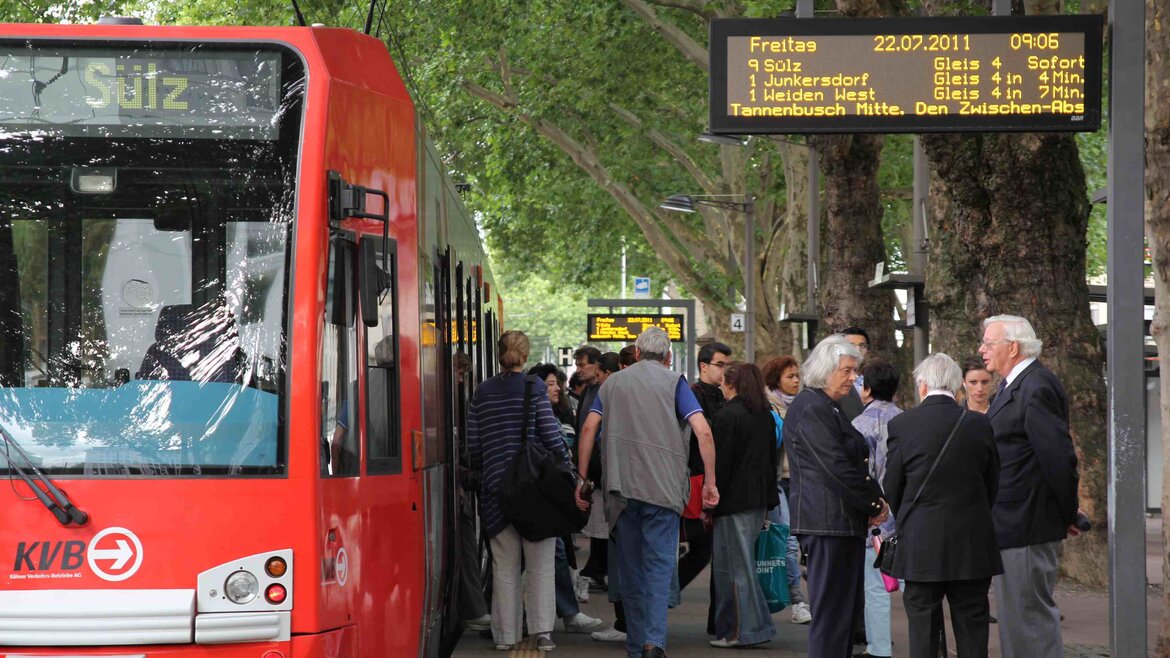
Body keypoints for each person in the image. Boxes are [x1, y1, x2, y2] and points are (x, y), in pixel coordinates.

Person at [575, 327, 719, 658]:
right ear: (668, 357)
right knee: (658, 569)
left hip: (621, 492)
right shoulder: (676, 384)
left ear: (637, 354)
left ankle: (635, 646)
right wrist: (709, 483)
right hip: (664, 492)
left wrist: (581, 479)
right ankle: (654, 643)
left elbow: (588, 429)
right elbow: (703, 431)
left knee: (630, 571)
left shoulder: (612, 383)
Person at [883, 353, 1002, 658]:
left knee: (922, 625)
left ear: (923, 386)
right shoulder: (979, 424)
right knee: (973, 622)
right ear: (957, 386)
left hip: (921, 541)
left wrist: (910, 515)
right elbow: (993, 482)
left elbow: (892, 484)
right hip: (971, 541)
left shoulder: (902, 424)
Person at [978, 315, 1081, 658]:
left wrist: (1066, 512)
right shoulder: (1013, 386)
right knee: (1016, 619)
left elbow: (1058, 458)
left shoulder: (1035, 385)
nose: (982, 350)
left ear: (1013, 347)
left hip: (1027, 522)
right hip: (1013, 522)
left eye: (989, 343)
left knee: (1029, 619)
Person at [785, 335, 887, 658]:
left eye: (854, 370)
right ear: (826, 368)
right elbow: (836, 467)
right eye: (846, 370)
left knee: (843, 616)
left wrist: (873, 501)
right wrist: (873, 503)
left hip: (839, 523)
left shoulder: (825, 406)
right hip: (828, 524)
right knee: (832, 617)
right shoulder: (812, 407)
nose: (853, 377)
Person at [466, 331, 569, 652]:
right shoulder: (533, 387)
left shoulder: (481, 392)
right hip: (534, 490)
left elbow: (473, 445)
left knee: (504, 568)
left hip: (496, 491)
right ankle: (541, 633)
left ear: (499, 354)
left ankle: (505, 636)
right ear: (524, 356)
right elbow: (551, 435)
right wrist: (567, 468)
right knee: (540, 566)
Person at [527, 363, 604, 637]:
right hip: (540, 495)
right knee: (554, 552)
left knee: (557, 552)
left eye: (556, 382)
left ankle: (554, 615)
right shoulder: (537, 416)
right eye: (549, 384)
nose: (556, 388)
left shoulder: (559, 412)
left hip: (553, 496)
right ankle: (558, 617)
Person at [709, 361, 778, 649]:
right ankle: (737, 629)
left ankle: (744, 630)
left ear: (731, 383)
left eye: (724, 381)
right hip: (758, 499)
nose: (720, 386)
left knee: (735, 568)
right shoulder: (765, 415)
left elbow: (721, 464)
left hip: (733, 502)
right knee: (741, 565)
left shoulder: (727, 416)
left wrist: (710, 501)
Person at [850, 358, 903, 658]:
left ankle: (879, 648)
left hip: (874, 517)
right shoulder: (906, 420)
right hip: (904, 515)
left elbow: (860, 475)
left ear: (866, 388)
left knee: (875, 587)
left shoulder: (858, 425)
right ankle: (929, 640)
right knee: (913, 585)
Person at [761, 355, 811, 625]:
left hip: (802, 480)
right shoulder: (768, 405)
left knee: (803, 542)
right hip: (779, 480)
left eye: (797, 376)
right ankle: (797, 601)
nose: (796, 381)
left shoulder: (804, 405)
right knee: (789, 542)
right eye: (790, 376)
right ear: (776, 379)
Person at [837, 327, 869, 421]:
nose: (857, 350)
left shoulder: (874, 380)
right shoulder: (832, 383)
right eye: (851, 345)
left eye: (862, 345)